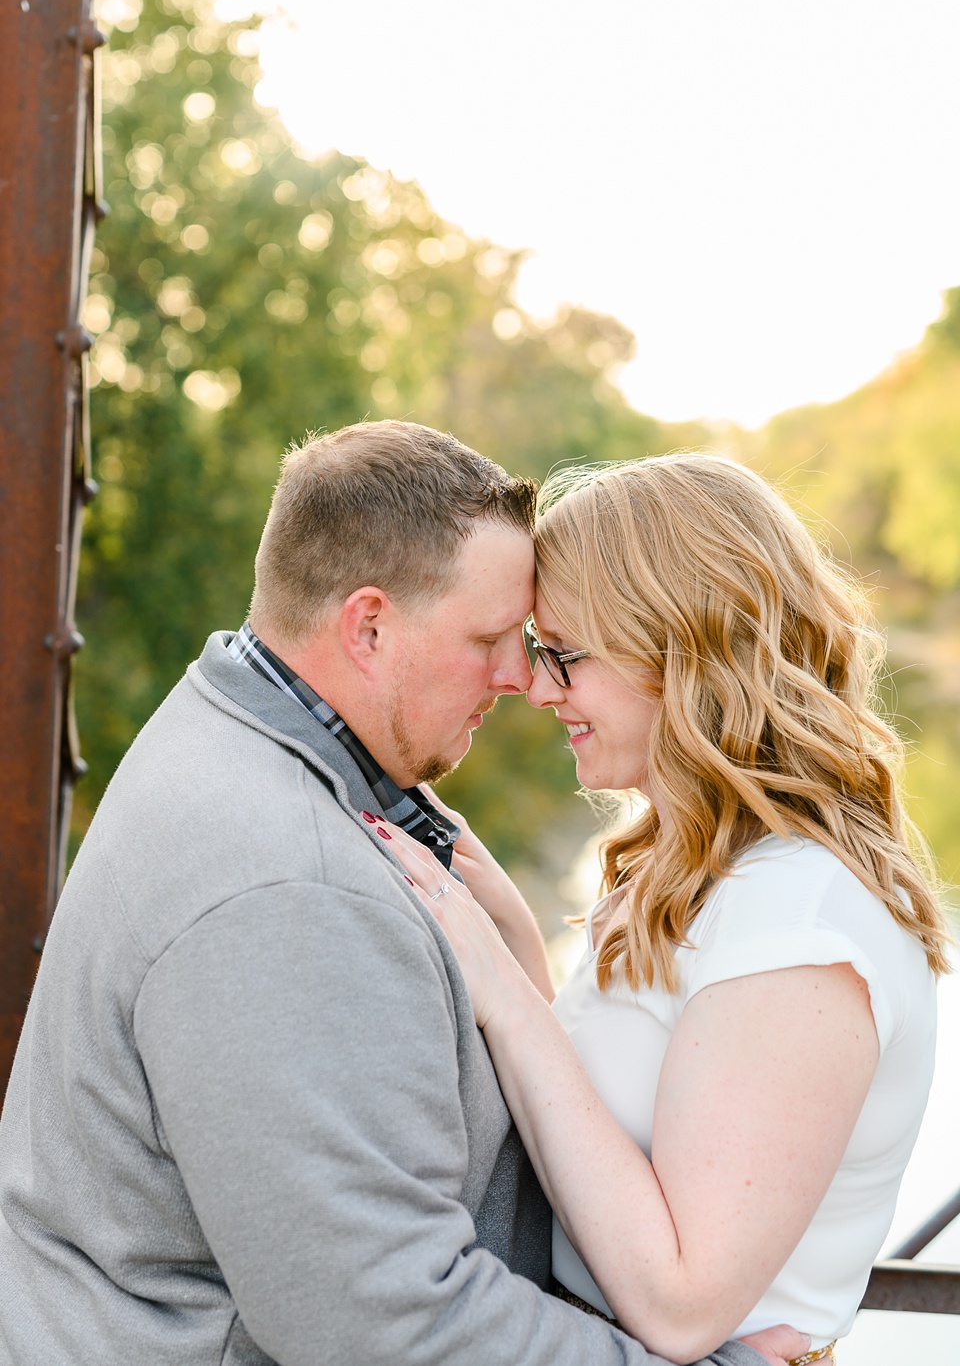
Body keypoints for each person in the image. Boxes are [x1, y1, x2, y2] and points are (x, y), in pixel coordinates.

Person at [0, 423, 805, 1366]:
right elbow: (385, 1326)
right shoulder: (288, 888)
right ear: (369, 625)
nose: (520, 679)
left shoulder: (231, 728)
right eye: (491, 640)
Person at [380, 451, 953, 1366]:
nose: (536, 687)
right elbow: (621, 1124)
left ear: (682, 652)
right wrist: (516, 939)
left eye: (564, 655)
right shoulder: (705, 869)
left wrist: (503, 994)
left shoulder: (796, 924)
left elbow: (682, 1306)